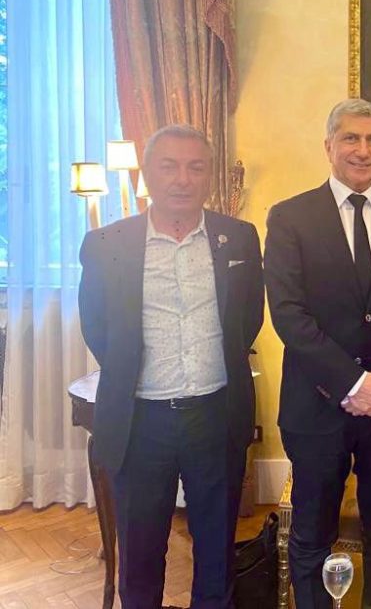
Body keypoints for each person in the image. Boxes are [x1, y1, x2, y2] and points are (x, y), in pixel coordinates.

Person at [78, 124, 264, 608]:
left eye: (195, 167)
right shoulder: (106, 243)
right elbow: (97, 327)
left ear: (209, 176)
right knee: (140, 559)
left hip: (216, 417)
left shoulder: (239, 238)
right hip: (140, 422)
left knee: (217, 554)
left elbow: (248, 320)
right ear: (148, 173)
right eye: (169, 166)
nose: (182, 178)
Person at [264, 99, 371, 609]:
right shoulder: (290, 217)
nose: (363, 150)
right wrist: (352, 384)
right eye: (351, 138)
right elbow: (289, 314)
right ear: (329, 146)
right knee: (312, 533)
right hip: (316, 407)